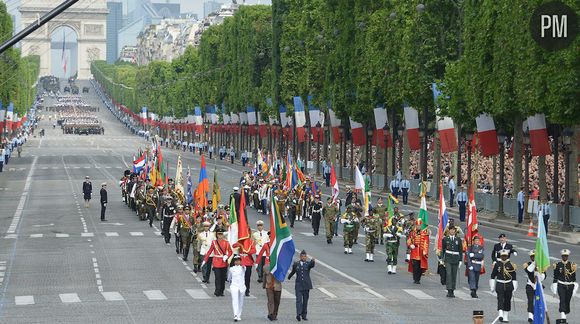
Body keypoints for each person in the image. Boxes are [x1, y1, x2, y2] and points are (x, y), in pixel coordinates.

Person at [490, 249, 517, 323]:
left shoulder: (511, 265)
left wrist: (514, 287)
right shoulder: (497, 264)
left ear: (507, 256)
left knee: (508, 300)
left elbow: (514, 277)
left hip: (508, 284)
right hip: (500, 284)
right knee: (500, 299)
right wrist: (492, 286)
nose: (504, 257)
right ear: (500, 256)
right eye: (502, 256)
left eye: (505, 256)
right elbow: (493, 275)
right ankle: (500, 313)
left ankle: (505, 316)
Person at [203, 231, 233, 296]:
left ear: (223, 235)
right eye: (218, 234)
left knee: (222, 278)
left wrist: (227, 256)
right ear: (217, 235)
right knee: (217, 277)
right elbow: (209, 251)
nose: (220, 236)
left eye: (221, 234)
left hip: (223, 262)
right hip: (216, 262)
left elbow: (230, 251)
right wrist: (205, 260)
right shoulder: (214, 243)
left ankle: (222, 291)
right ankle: (217, 291)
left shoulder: (226, 243)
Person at [288, 250, 315, 322]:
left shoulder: (308, 264)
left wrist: (313, 261)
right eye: (302, 256)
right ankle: (298, 314)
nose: (304, 257)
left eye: (305, 256)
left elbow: (312, 265)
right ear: (300, 257)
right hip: (299, 285)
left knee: (305, 301)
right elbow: (293, 271)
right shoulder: (296, 264)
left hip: (306, 285)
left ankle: (304, 315)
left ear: (306, 257)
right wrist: (289, 276)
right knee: (298, 300)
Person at [552, 249, 577, 321]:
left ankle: (565, 312)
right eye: (563, 256)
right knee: (562, 299)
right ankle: (563, 315)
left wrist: (575, 286)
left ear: (568, 256)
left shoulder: (572, 265)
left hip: (570, 285)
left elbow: (574, 278)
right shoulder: (557, 265)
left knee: (567, 300)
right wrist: (554, 286)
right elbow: (555, 276)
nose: (565, 257)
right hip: (561, 284)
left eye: (566, 256)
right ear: (561, 256)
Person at [524, 249, 545, 323]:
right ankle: (530, 316)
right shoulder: (527, 264)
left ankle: (538, 316)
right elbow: (529, 271)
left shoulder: (541, 265)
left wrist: (539, 272)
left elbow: (544, 277)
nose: (534, 258)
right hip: (530, 286)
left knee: (538, 301)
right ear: (530, 257)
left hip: (538, 287)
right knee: (530, 300)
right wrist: (534, 264)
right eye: (532, 257)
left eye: (535, 256)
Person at [442, 226, 462, 298]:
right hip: (448, 259)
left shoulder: (458, 239)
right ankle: (449, 290)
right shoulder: (445, 239)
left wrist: (460, 260)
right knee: (449, 274)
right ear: (449, 231)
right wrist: (442, 259)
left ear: (455, 231)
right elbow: (443, 249)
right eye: (451, 230)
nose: (452, 231)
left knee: (454, 275)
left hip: (456, 259)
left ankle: (452, 290)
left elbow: (460, 250)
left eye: (454, 230)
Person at [407, 219, 429, 284]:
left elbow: (426, 242)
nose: (418, 226)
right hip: (414, 251)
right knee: (415, 266)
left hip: (421, 252)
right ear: (416, 226)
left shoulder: (424, 233)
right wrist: (410, 245)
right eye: (417, 225)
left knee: (420, 267)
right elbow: (409, 240)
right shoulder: (412, 233)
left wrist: (425, 250)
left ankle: (418, 279)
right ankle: (415, 278)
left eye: (419, 225)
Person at [263, 256, 282, 321]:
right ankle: (270, 314)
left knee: (277, 302)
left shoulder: (280, 267)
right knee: (270, 301)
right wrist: (264, 285)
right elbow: (265, 276)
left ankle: (274, 314)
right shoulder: (266, 267)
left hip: (277, 286)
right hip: (269, 286)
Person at [228, 256, 246, 322]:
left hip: (241, 286)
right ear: (234, 262)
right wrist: (230, 282)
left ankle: (239, 315)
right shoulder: (231, 269)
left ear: (240, 261)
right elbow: (229, 277)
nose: (237, 262)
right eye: (236, 260)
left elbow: (244, 268)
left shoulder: (243, 268)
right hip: (234, 286)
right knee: (235, 300)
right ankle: (235, 314)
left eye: (238, 260)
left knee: (241, 301)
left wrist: (243, 264)